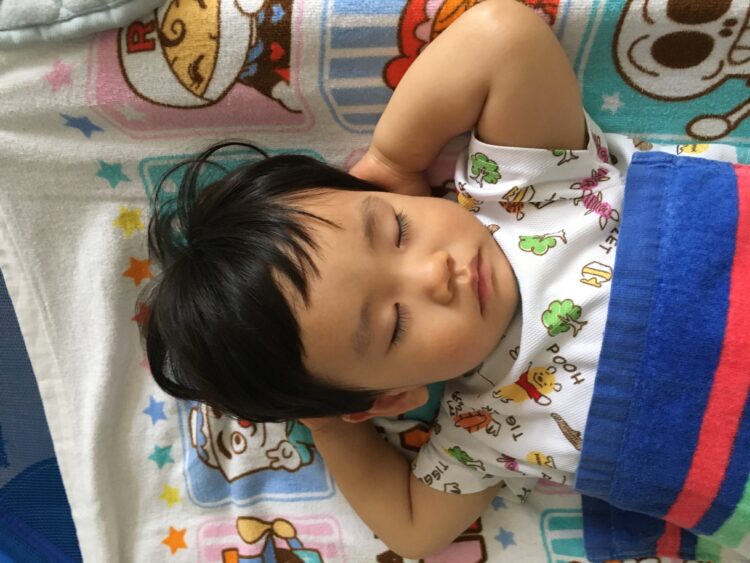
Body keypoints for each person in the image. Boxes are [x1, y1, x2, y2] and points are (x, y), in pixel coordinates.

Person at [140, 0, 742, 559]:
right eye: (394, 323)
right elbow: (413, 530)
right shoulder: (482, 429)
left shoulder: (525, 190)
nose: (435, 272)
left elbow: (503, 36)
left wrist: (394, 157)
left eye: (396, 229)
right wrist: (328, 427)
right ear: (392, 399)